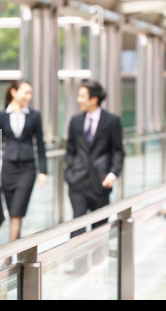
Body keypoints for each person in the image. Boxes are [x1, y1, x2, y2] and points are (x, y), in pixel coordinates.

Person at [0, 79, 47, 251]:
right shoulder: (2, 117)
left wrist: (43, 171)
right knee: (13, 211)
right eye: (26, 92)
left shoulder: (34, 116)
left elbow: (40, 144)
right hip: (8, 169)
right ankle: (16, 247)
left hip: (27, 169)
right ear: (14, 92)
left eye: (30, 93)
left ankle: (8, 255)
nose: (29, 96)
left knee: (17, 212)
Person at [65, 80, 125, 238]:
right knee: (77, 229)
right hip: (77, 183)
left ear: (94, 99)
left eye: (82, 96)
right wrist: (69, 174)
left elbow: (118, 150)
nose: (78, 100)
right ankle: (78, 262)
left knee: (99, 229)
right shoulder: (75, 121)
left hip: (100, 183)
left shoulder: (112, 121)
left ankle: (98, 263)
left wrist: (113, 174)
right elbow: (70, 150)